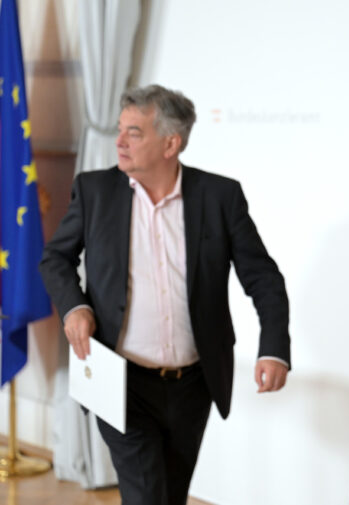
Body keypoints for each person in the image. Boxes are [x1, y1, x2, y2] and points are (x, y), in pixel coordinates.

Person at [39, 84, 291, 505]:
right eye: (120, 129)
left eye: (134, 133)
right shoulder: (95, 191)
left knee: (169, 495)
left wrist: (274, 348)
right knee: (146, 493)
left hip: (194, 384)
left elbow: (263, 277)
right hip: (118, 380)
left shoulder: (220, 197)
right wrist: (75, 307)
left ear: (171, 143)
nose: (118, 141)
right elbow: (55, 259)